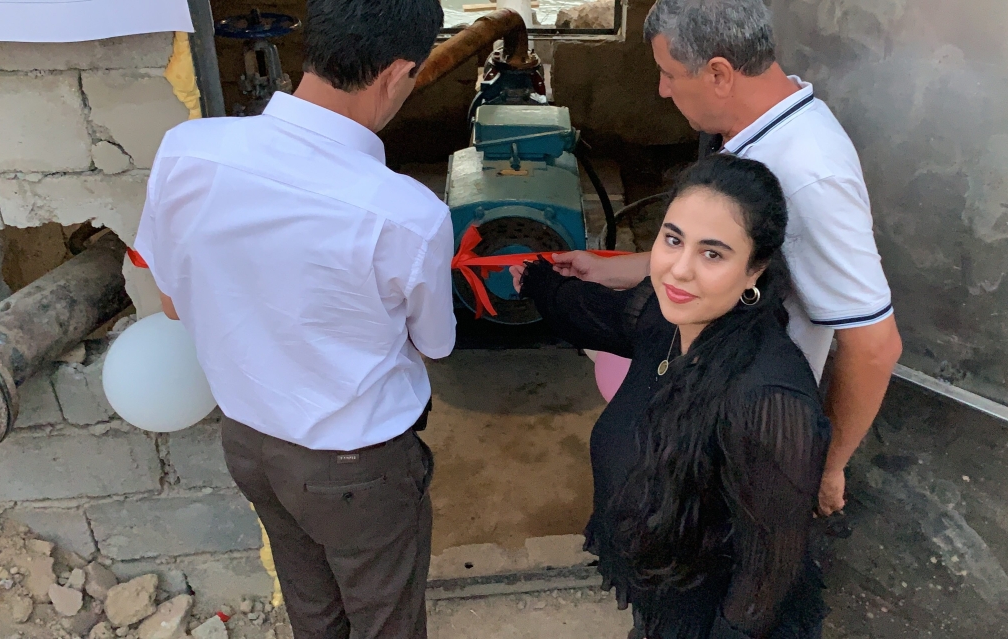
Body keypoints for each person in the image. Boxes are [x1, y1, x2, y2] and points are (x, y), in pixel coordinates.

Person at [132, 0, 452, 636]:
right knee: (386, 620)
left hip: (249, 444)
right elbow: (435, 344)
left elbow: (171, 300)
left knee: (311, 607)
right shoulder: (407, 214)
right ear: (398, 73)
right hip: (358, 466)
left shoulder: (188, 151)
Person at [553, 0, 902, 516]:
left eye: (669, 74)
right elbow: (712, 258)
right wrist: (614, 268)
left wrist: (822, 466)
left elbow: (873, 346)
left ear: (719, 72)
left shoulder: (809, 173)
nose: (663, 89)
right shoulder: (753, 133)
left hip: (747, 426)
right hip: (707, 394)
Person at [512, 154, 831, 639]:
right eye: (672, 239)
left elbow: (767, 575)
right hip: (663, 597)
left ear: (755, 270)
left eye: (713, 253)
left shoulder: (766, 396)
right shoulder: (665, 320)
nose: (678, 270)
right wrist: (537, 279)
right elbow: (590, 309)